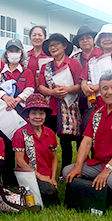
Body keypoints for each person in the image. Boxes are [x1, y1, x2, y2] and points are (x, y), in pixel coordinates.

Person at [63, 73, 112, 206]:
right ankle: (101, 186)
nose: (109, 92)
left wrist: (107, 170)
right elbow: (86, 142)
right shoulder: (96, 114)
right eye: (105, 88)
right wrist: (78, 166)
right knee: (67, 172)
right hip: (99, 163)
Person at [0, 38, 34, 186]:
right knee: (4, 144)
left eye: (17, 50)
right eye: (10, 51)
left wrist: (17, 99)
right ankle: (5, 177)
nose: (13, 53)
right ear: (6, 53)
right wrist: (6, 98)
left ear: (21, 53)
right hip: (2, 113)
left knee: (20, 143)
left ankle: (21, 176)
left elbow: (30, 88)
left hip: (19, 112)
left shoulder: (26, 72)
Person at [39, 33, 83, 178]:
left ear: (65, 46)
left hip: (69, 108)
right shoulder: (46, 66)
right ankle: (44, 168)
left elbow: (80, 86)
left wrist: (67, 89)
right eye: (51, 46)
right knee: (46, 139)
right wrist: (52, 92)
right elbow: (41, 87)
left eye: (56, 44)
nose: (53, 47)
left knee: (66, 142)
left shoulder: (74, 64)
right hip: (51, 107)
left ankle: (65, 171)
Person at [12, 94, 59, 205]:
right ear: (28, 115)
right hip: (29, 176)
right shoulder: (20, 134)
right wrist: (39, 176)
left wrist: (53, 178)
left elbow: (54, 158)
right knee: (46, 194)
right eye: (33, 113)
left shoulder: (50, 133)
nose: (37, 117)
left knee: (51, 194)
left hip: (47, 176)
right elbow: (20, 160)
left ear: (45, 115)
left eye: (41, 113)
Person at [80, 24, 112, 108]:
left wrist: (97, 86)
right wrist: (84, 86)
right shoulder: (93, 60)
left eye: (111, 36)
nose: (107, 39)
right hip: (98, 107)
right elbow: (83, 78)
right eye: (103, 37)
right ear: (99, 41)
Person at [71, 25, 103, 131]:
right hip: (78, 98)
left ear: (93, 40)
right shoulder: (74, 59)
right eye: (81, 39)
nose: (85, 41)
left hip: (98, 97)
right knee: (81, 129)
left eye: (88, 38)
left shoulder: (102, 55)